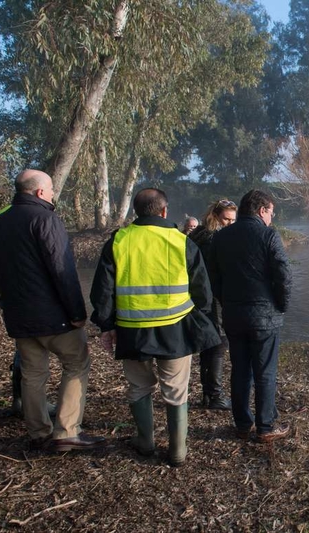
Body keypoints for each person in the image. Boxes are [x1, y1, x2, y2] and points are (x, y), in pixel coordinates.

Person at [90, 188, 221, 466]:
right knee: (176, 390)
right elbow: (202, 290)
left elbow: (102, 289)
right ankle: (178, 451)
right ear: (164, 210)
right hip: (175, 328)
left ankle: (146, 443)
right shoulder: (180, 241)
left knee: (138, 387)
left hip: (131, 329)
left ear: (136, 211)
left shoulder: (119, 240)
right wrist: (203, 317)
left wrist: (106, 325)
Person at [0, 169, 105, 452]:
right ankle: (67, 431)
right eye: (51, 190)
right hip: (53, 317)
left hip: (18, 315)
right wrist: (77, 312)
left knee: (33, 373)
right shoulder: (46, 218)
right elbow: (62, 270)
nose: (53, 195)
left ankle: (38, 433)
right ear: (40, 192)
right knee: (76, 363)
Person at [209, 189, 292, 444]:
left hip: (234, 314)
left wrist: (227, 302)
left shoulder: (221, 237)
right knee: (265, 371)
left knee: (240, 370)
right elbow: (284, 276)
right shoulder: (268, 235)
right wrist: (281, 305)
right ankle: (265, 427)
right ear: (261, 210)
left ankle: (243, 425)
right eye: (271, 212)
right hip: (265, 316)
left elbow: (214, 278)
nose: (271, 218)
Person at [187, 199, 237, 410]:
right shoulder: (211, 238)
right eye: (226, 219)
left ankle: (208, 393)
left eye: (233, 220)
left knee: (209, 344)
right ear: (214, 216)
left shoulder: (197, 235)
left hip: (198, 296)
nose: (229, 224)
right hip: (211, 297)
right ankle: (215, 395)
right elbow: (213, 271)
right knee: (218, 343)